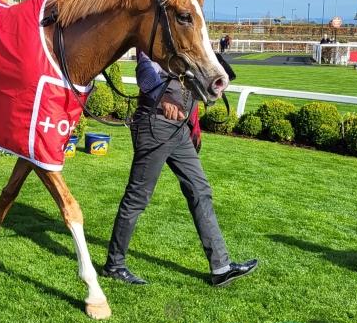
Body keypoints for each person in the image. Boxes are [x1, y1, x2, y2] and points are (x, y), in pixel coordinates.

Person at [101, 51, 259, 287]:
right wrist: (163, 98)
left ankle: (221, 267)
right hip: (156, 123)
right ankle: (114, 265)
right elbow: (145, 71)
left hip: (180, 129)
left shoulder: (189, 45)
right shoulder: (154, 41)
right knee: (137, 196)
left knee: (200, 189)